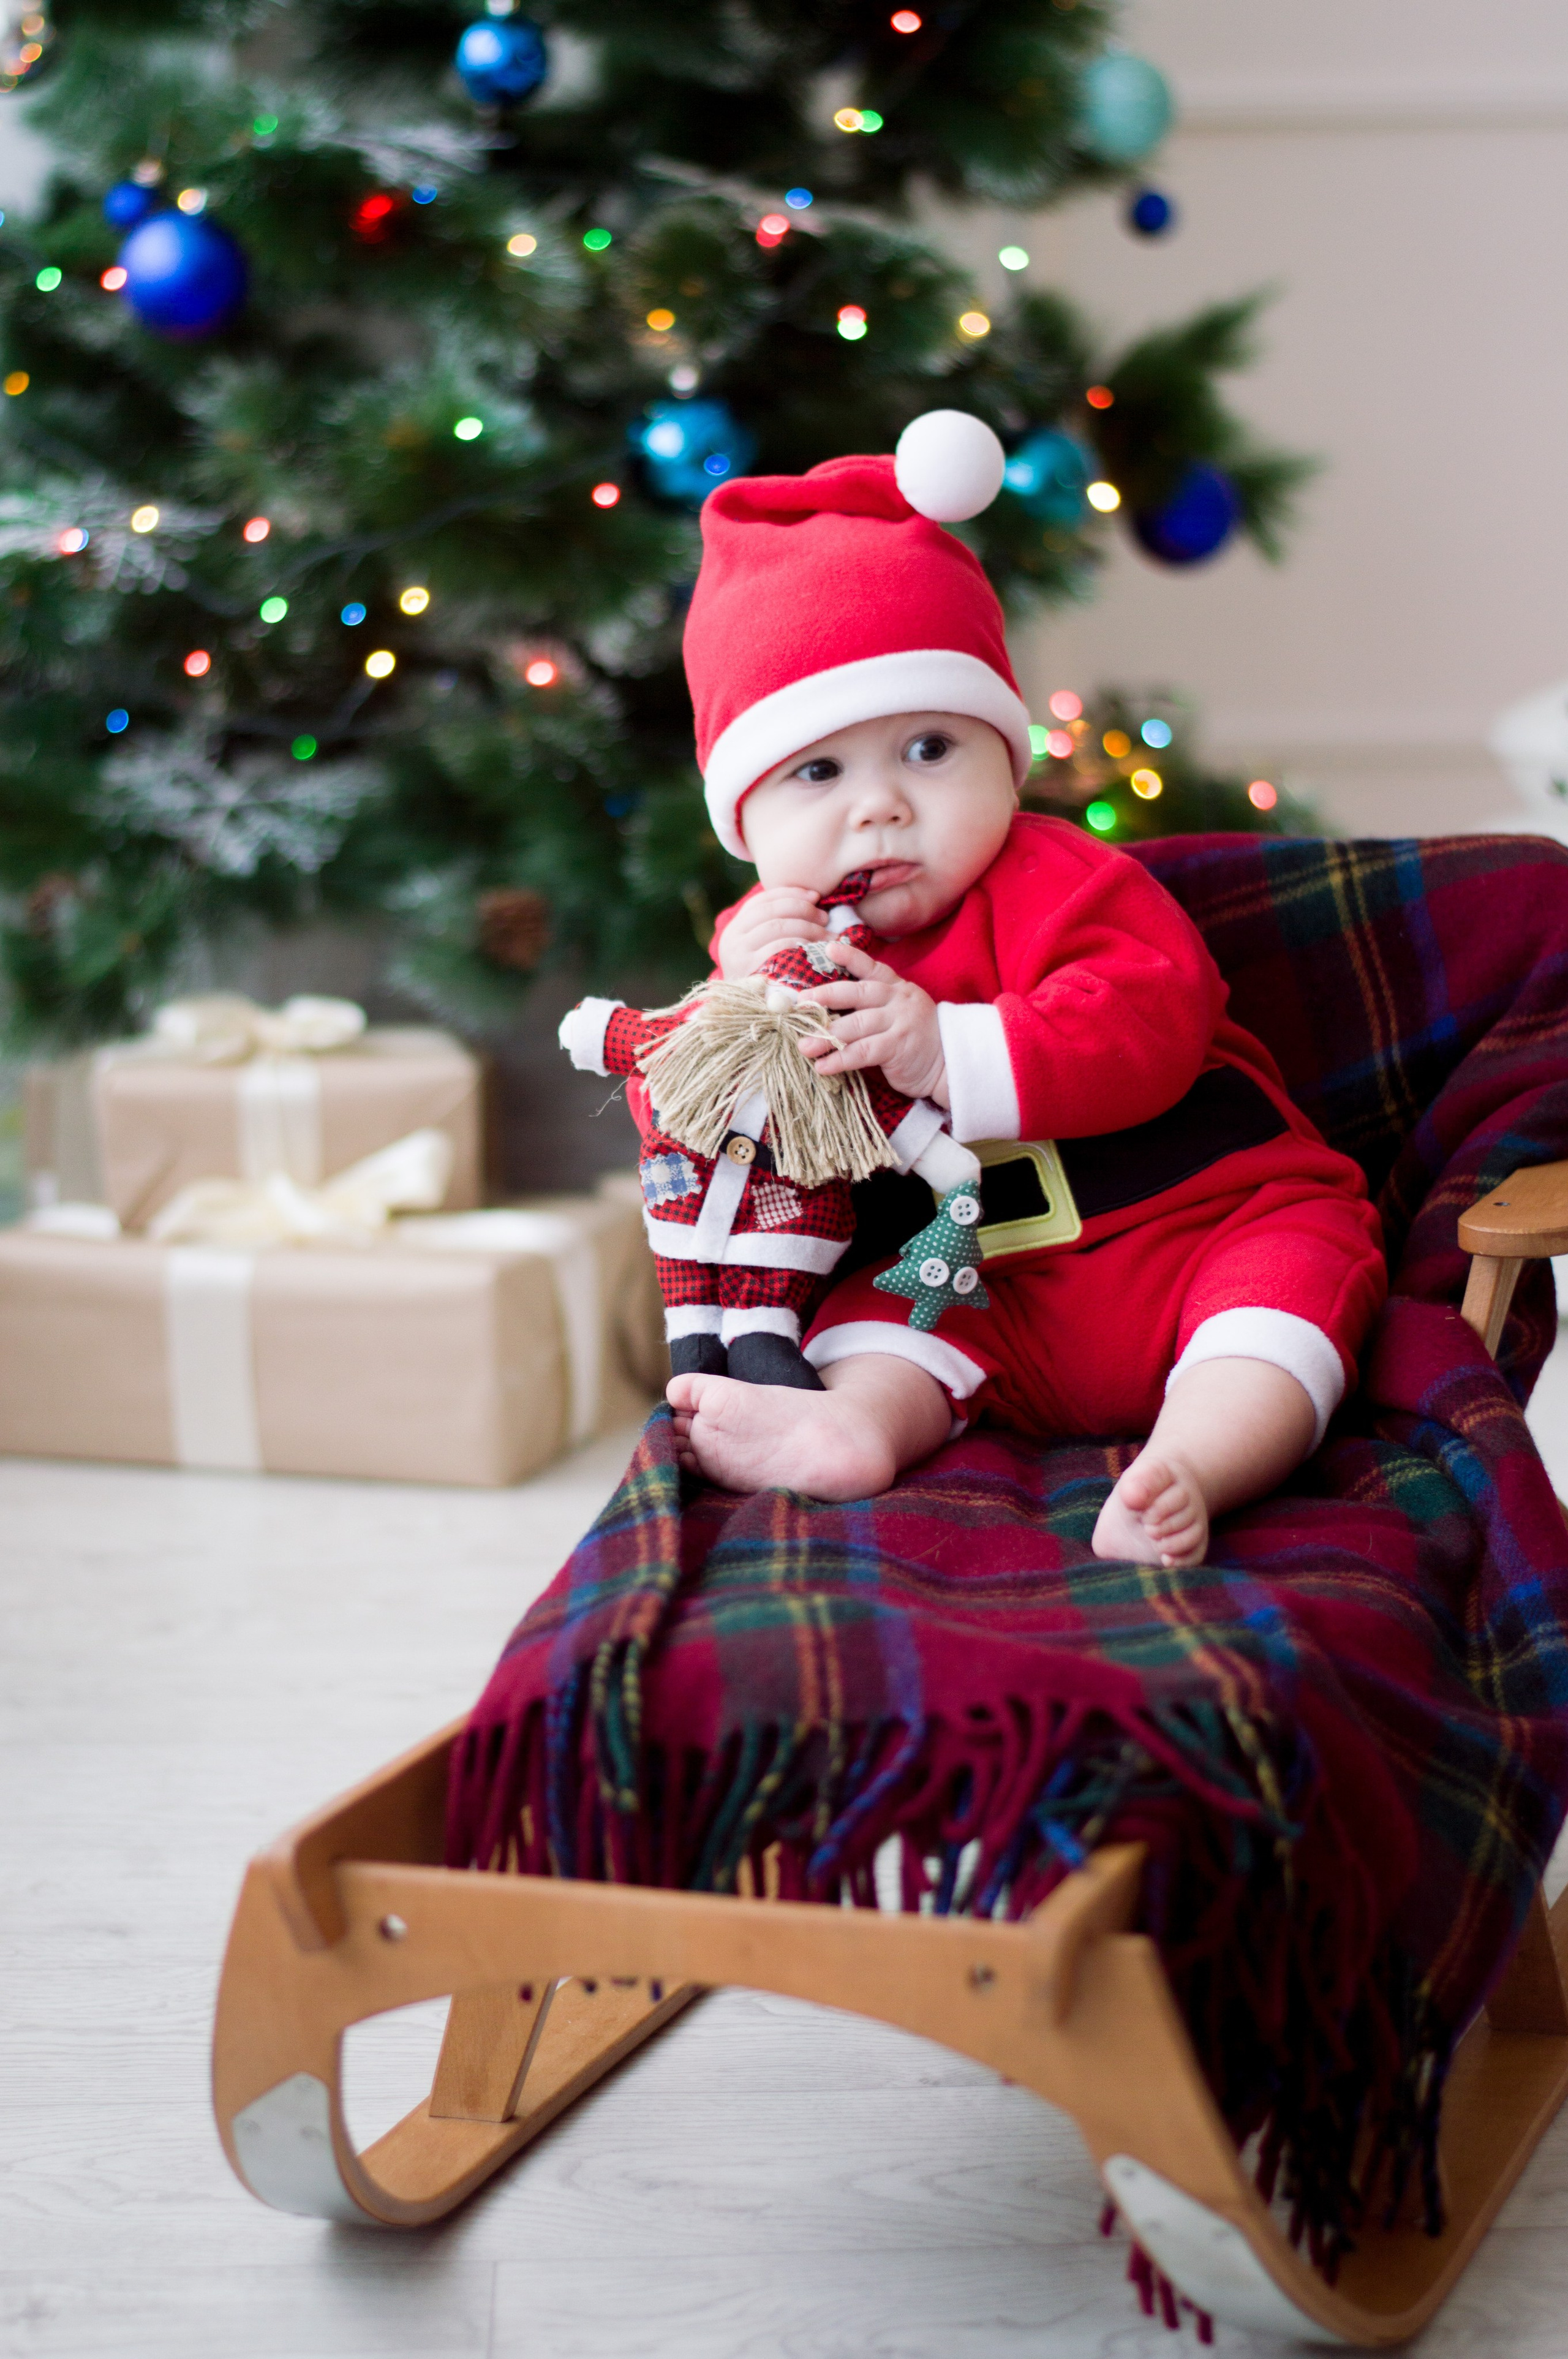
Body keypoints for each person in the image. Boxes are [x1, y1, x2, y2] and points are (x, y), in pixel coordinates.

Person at [567, 412, 1387, 1566]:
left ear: (1006, 754)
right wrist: (729, 1014)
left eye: (931, 749)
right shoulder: (775, 959)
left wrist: (947, 1050)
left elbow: (1150, 1021)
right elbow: (704, 1138)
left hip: (1194, 1222)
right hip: (977, 1273)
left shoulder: (1064, 881)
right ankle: (851, 1429)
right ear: (746, 823)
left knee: (1284, 1306)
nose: (882, 806)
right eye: (818, 771)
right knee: (884, 1325)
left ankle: (1192, 1463)